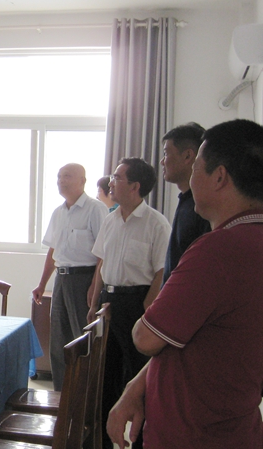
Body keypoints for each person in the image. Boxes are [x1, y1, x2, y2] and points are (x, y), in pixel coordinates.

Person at [107, 119, 263, 448]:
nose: (192, 178)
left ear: (219, 176)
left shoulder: (220, 249)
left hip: (193, 431)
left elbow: (146, 337)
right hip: (234, 425)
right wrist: (138, 384)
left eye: (197, 168)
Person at [87, 157, 171, 449]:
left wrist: (147, 308)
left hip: (137, 303)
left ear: (135, 186)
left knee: (136, 375)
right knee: (105, 375)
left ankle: (140, 440)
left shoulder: (156, 224)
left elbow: (162, 271)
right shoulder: (110, 219)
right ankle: (100, 441)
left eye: (117, 177)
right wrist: (94, 302)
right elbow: (102, 263)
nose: (111, 182)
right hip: (108, 302)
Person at [32, 163, 108, 391]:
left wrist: (94, 285)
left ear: (82, 181)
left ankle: (85, 396)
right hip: (62, 280)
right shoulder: (58, 212)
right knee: (58, 341)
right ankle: (61, 395)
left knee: (82, 339)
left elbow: (103, 252)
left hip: (84, 279)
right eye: (59, 176)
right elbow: (53, 252)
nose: (61, 181)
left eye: (67, 176)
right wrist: (42, 284)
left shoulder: (95, 209)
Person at [159, 122, 212, 285]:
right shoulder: (186, 201)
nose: (162, 162)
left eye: (166, 154)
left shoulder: (203, 206)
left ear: (188, 156)